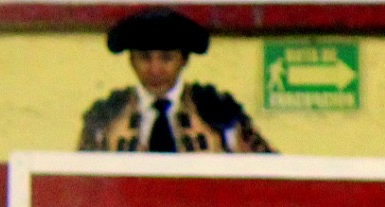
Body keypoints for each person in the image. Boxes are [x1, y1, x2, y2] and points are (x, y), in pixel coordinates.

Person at [79, 6, 272, 154]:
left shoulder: (219, 111)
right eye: (145, 58)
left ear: (184, 60)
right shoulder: (106, 115)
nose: (155, 69)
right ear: (131, 61)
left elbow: (265, 169)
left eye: (167, 58)